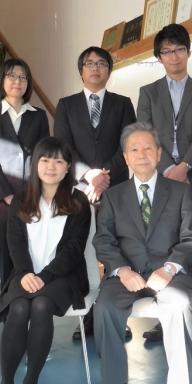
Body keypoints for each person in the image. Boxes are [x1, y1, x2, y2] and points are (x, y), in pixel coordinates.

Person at [85, 122, 192, 384]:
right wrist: (122, 270)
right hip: (127, 274)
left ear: (159, 153)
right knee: (105, 307)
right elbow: (103, 240)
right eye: (134, 149)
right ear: (125, 157)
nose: (141, 154)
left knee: (179, 304)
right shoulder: (113, 196)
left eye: (148, 148)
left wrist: (169, 268)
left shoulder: (181, 192)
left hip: (170, 275)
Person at [0, 137, 91, 384]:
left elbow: (74, 249)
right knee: (19, 307)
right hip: (25, 273)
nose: (51, 166)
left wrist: (45, 275)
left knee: (42, 305)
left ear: (68, 166)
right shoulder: (21, 200)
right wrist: (25, 273)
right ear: (35, 164)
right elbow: (14, 243)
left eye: (59, 161)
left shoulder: (78, 201)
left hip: (64, 275)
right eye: (45, 160)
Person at [136, 23, 192, 346]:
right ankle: (164, 317)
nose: (174, 56)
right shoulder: (148, 92)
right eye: (167, 51)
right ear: (159, 57)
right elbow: (145, 134)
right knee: (163, 243)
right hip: (160, 177)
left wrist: (185, 167)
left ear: (188, 52)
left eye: (179, 49)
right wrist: (168, 167)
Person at [54, 46, 136, 340]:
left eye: (101, 63)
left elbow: (128, 143)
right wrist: (89, 175)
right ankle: (88, 315)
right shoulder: (66, 105)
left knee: (120, 249)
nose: (95, 68)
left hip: (116, 190)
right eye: (89, 63)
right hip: (80, 191)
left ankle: (117, 314)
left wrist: (104, 176)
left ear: (108, 70)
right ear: (81, 71)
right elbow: (63, 146)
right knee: (85, 252)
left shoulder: (123, 103)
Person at [0, 58, 50, 288]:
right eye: (11, 76)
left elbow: (44, 157)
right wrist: (8, 195)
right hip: (2, 201)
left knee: (33, 253)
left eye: (22, 77)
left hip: (33, 197)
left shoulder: (38, 116)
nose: (17, 81)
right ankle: (8, 302)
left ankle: (33, 298)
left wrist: (38, 192)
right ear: (2, 80)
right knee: (6, 255)